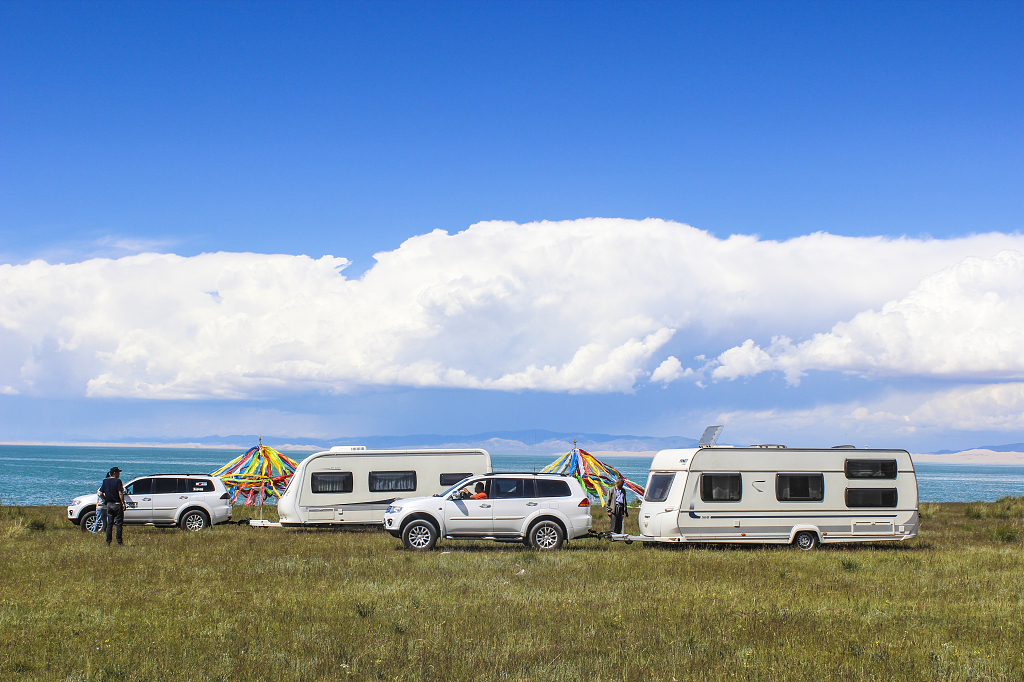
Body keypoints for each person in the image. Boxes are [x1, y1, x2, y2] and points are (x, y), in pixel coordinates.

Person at [98, 467, 126, 546]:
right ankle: (119, 541)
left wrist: (105, 500)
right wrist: (123, 502)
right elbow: (120, 492)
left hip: (109, 504)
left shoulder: (105, 481)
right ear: (114, 473)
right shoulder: (118, 481)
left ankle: (108, 541)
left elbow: (100, 493)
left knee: (109, 524)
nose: (119, 474)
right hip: (117, 504)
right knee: (119, 524)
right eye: (118, 472)